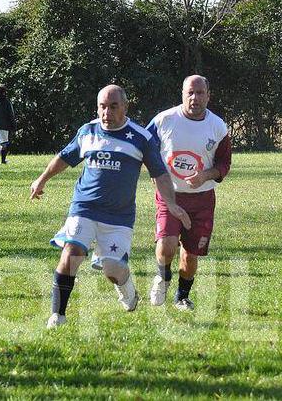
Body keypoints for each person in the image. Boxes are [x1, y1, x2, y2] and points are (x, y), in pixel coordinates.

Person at [30, 85, 192, 329]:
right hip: (84, 207)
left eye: (113, 106)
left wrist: (171, 204)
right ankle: (58, 315)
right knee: (72, 253)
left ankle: (126, 287)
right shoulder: (88, 132)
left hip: (118, 217)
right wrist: (41, 179)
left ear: (125, 107)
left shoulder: (140, 137)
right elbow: (64, 157)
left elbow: (159, 174)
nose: (106, 112)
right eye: (102, 106)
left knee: (112, 269)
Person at [145, 75, 232, 311]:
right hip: (170, 195)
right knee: (167, 245)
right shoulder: (164, 120)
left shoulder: (218, 126)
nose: (195, 98)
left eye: (200, 93)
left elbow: (224, 164)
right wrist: (157, 177)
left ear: (208, 95)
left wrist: (205, 175)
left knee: (190, 256)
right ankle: (162, 278)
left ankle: (182, 297)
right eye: (190, 93)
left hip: (202, 201)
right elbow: (145, 149)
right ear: (182, 94)